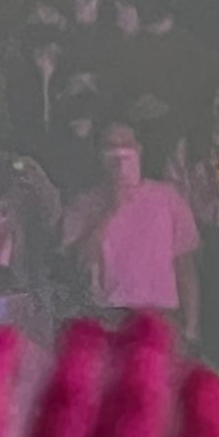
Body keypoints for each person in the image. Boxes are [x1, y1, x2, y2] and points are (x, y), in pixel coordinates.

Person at [61, 124, 202, 344]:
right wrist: (112, 208)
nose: (120, 154)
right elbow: (80, 263)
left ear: (139, 149)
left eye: (126, 144)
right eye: (111, 146)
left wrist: (191, 327)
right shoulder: (85, 204)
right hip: (108, 319)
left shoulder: (167, 198)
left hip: (159, 318)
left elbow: (184, 265)